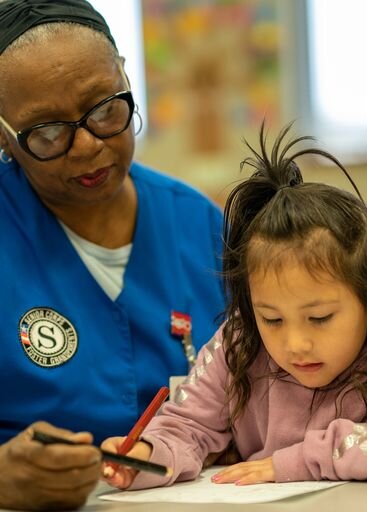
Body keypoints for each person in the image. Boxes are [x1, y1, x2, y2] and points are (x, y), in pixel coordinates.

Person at [102, 123, 367, 491]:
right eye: (272, 318)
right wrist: (145, 458)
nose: (296, 342)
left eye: (319, 318)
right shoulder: (239, 343)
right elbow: (186, 428)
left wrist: (308, 458)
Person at [0, 0, 225, 509]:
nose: (85, 147)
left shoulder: (200, 226)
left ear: (126, 77)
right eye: (47, 131)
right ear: (4, 135)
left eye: (104, 109)